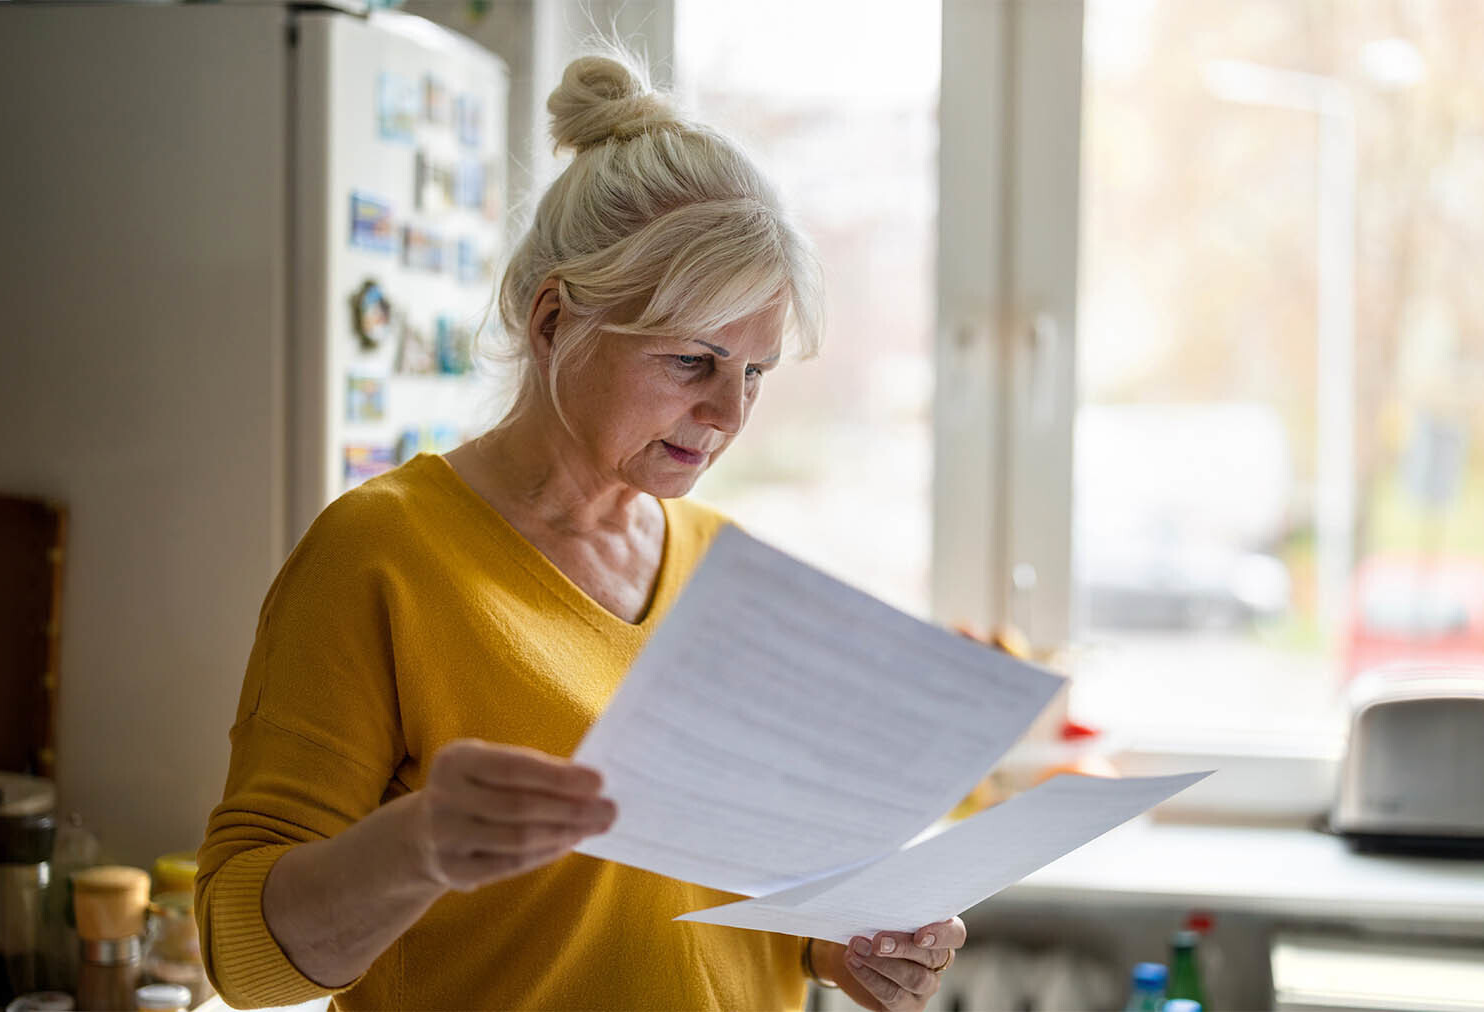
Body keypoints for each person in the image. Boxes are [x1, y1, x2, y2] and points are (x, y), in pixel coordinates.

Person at [195, 48, 965, 1011]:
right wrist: (419, 846)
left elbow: (723, 898)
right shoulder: (380, 555)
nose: (730, 412)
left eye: (756, 373)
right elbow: (242, 955)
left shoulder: (725, 568)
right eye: (694, 360)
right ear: (556, 318)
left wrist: (842, 943)